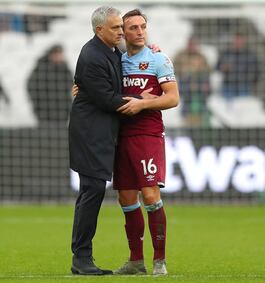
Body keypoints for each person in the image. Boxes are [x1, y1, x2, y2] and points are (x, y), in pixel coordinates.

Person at [68, 6, 151, 276]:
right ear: (99, 29)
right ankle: (81, 258)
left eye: (120, 27)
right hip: (91, 134)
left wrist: (153, 53)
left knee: (92, 192)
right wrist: (144, 102)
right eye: (116, 28)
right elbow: (108, 99)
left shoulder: (111, 50)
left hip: (103, 133)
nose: (121, 32)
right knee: (91, 193)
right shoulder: (92, 56)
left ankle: (82, 257)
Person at [113, 9, 179, 275]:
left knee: (150, 194)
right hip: (120, 135)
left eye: (143, 27)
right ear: (123, 33)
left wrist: (144, 104)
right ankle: (136, 261)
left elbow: (173, 98)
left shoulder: (158, 58)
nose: (140, 32)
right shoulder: (117, 60)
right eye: (133, 28)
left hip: (148, 134)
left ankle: (159, 261)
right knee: (126, 197)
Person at [27, 44, 73, 124]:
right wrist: (38, 104)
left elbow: (71, 85)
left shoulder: (65, 69)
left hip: (62, 112)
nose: (59, 56)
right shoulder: (41, 67)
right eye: (56, 54)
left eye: (60, 54)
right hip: (44, 112)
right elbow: (31, 86)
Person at [174, 36, 211, 127]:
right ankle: (186, 116)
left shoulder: (201, 56)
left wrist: (199, 69)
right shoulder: (181, 55)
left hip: (199, 85)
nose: (192, 46)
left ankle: (202, 114)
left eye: (194, 45)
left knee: (203, 83)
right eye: (191, 44)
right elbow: (172, 68)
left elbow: (208, 70)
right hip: (185, 85)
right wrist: (186, 70)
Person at [217, 32, 260, 99]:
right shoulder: (226, 53)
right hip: (228, 85)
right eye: (236, 40)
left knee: (243, 105)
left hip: (244, 86)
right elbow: (217, 67)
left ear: (244, 41)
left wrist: (252, 82)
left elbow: (257, 71)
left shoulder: (250, 54)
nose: (238, 42)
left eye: (240, 40)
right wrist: (223, 67)